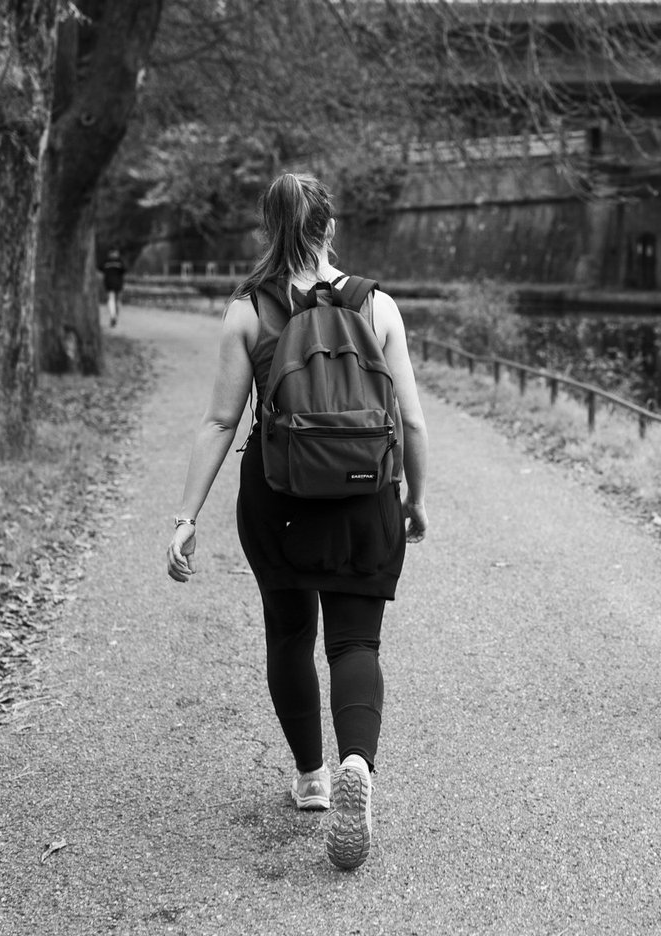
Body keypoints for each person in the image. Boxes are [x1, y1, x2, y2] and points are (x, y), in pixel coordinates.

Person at [165, 173, 429, 869]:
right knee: (354, 644)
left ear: (269, 229)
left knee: (288, 634)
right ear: (330, 227)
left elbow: (222, 419)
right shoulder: (377, 306)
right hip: (365, 496)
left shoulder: (250, 310)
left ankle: (312, 779)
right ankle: (357, 764)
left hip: (278, 497)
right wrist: (415, 499)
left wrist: (186, 515)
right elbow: (411, 419)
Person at [101, 248, 126, 327]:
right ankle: (115, 313)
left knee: (111, 299)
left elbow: (100, 268)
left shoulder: (106, 261)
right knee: (117, 299)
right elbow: (125, 269)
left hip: (109, 283)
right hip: (118, 283)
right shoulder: (119, 261)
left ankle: (113, 315)